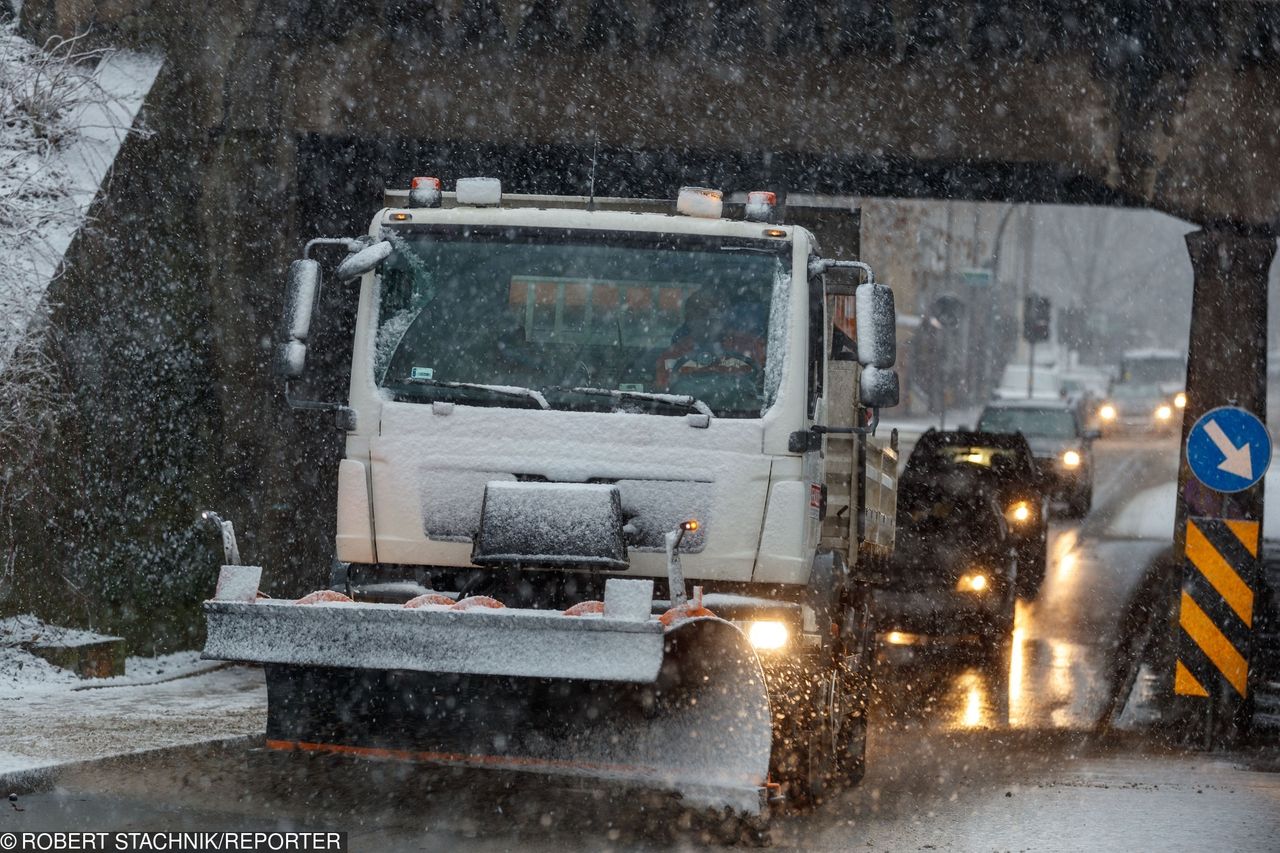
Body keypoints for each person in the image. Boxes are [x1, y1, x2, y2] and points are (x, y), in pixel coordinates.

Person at [654, 288, 766, 391]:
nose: (707, 320)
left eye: (715, 313)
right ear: (688, 319)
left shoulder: (751, 346)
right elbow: (664, 394)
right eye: (700, 313)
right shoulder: (672, 355)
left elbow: (764, 388)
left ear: (725, 317)